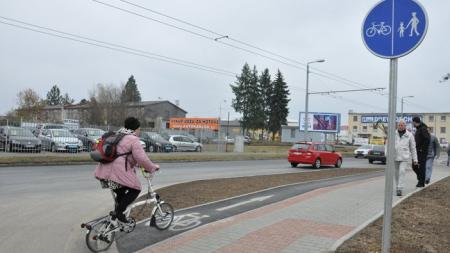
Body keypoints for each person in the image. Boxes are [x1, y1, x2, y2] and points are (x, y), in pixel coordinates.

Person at [95, 117, 159, 225]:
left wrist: (137, 164)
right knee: (136, 188)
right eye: (139, 129)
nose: (140, 131)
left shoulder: (117, 135)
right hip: (116, 173)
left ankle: (116, 219)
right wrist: (152, 167)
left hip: (105, 172)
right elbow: (142, 158)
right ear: (135, 129)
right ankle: (119, 213)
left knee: (121, 193)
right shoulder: (133, 139)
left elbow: (126, 155)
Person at [394, 120, 418, 196]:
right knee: (396, 173)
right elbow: (388, 144)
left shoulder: (410, 135)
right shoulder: (393, 133)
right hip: (395, 156)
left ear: (405, 126)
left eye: (402, 125)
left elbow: (413, 148)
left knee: (402, 171)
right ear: (397, 126)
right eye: (399, 125)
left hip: (404, 157)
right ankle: (398, 186)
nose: (401, 126)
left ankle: (400, 188)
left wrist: (415, 159)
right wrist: (387, 154)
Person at [412, 116, 430, 187]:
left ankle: (421, 182)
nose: (412, 123)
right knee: (414, 166)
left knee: (421, 167)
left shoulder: (423, 129)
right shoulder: (419, 129)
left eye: (412, 122)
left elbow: (427, 139)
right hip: (417, 151)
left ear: (415, 122)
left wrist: (422, 149)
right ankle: (421, 178)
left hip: (422, 152)